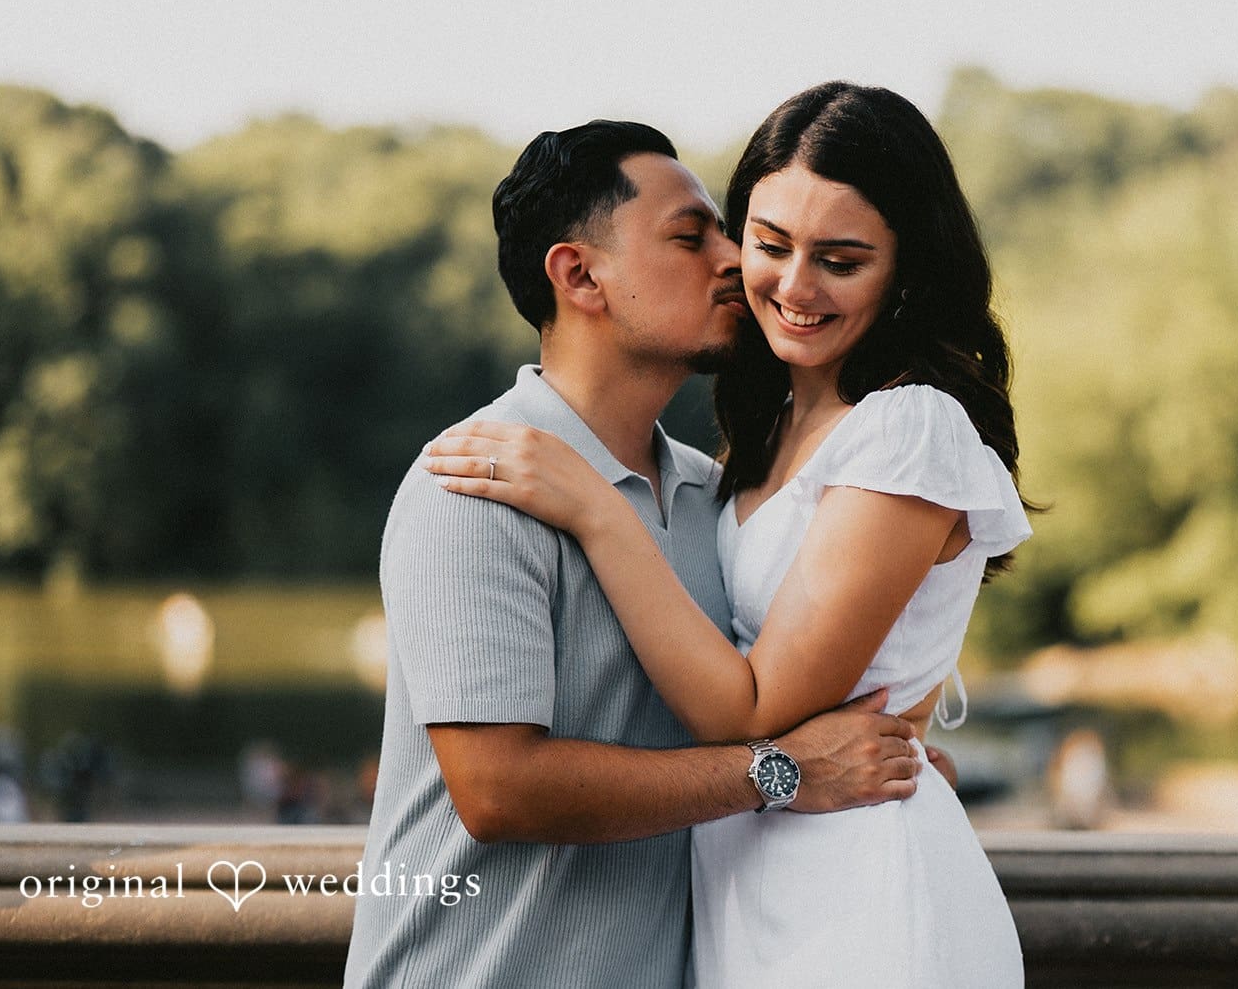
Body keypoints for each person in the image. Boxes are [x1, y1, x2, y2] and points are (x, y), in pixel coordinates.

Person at [426, 82, 1034, 986]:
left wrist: (596, 507)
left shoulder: (909, 428)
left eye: (841, 259)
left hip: (856, 889)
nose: (792, 286)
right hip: (748, 887)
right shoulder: (762, 435)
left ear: (906, 268)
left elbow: (750, 709)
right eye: (769, 242)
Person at [343, 119, 929, 989]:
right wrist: (780, 773)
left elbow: (779, 695)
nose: (736, 259)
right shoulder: (472, 482)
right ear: (579, 274)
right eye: (692, 236)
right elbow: (498, 789)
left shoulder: (715, 498)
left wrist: (907, 743)